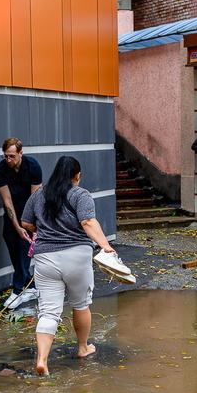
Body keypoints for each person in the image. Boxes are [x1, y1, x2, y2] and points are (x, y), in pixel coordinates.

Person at [20, 156, 117, 376]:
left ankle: (42, 359)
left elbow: (26, 223)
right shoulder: (79, 194)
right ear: (77, 175)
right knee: (80, 304)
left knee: (48, 311)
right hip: (76, 257)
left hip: (46, 259)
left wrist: (46, 227)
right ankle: (83, 348)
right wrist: (105, 245)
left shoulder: (39, 195)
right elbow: (88, 222)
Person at [0, 137, 42, 309]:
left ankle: (17, 291)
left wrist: (30, 226)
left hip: (29, 213)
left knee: (23, 249)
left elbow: (35, 199)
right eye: (6, 156)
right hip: (12, 214)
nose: (8, 160)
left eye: (12, 156)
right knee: (13, 246)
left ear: (21, 153)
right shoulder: (0, 170)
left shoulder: (33, 167)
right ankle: (31, 286)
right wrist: (17, 226)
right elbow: (7, 201)